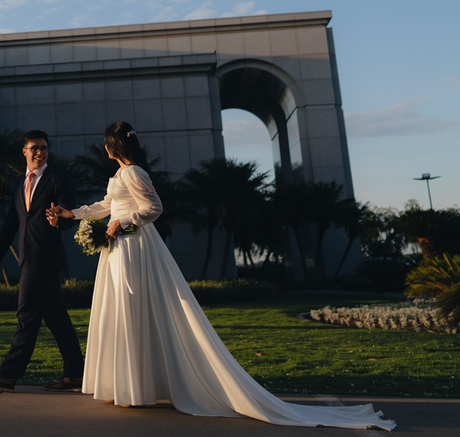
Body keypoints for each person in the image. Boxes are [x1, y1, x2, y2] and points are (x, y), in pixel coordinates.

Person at [45, 121, 396, 430]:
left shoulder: (134, 172)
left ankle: (138, 388)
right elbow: (107, 205)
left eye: (107, 142)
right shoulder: (121, 174)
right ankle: (131, 384)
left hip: (135, 249)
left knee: (136, 310)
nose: (105, 147)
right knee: (123, 313)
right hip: (119, 250)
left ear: (113, 146)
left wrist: (123, 222)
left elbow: (153, 209)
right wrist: (71, 213)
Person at [0, 130, 85, 393]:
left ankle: (8, 373)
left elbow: (69, 215)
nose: (40, 152)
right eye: (34, 148)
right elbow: (12, 222)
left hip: (45, 259)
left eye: (44, 148)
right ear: (24, 151)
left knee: (27, 316)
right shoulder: (17, 184)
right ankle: (76, 374)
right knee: (57, 318)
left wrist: (60, 218)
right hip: (28, 258)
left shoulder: (59, 181)